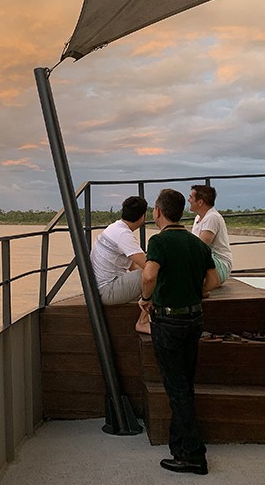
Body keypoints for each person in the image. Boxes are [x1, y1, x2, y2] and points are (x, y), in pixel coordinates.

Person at [139, 189, 219, 476]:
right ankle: (179, 447)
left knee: (176, 388)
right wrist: (193, 291)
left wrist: (146, 298)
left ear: (158, 212)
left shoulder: (159, 241)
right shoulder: (196, 244)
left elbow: (149, 275)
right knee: (184, 384)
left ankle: (195, 456)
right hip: (194, 318)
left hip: (169, 323)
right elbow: (212, 279)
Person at [90, 195, 150, 333]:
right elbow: (148, 266)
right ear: (142, 217)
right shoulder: (124, 235)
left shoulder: (114, 228)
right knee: (153, 274)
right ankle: (143, 321)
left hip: (98, 289)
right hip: (106, 291)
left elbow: (133, 265)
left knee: (150, 274)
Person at [188, 184, 232, 294]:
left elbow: (200, 246)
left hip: (219, 265)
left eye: (191, 197)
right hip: (210, 263)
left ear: (200, 202)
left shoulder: (212, 217)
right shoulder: (199, 217)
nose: (188, 200)